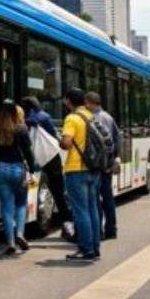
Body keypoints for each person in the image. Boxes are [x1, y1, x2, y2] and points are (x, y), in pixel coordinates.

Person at [0, 100, 39, 256]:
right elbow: (28, 152)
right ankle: (20, 234)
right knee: (21, 204)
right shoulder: (21, 129)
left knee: (7, 207)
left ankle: (10, 242)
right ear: (16, 113)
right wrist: (32, 169)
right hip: (17, 168)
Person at [20, 96, 72, 240]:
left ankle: (69, 222)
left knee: (58, 192)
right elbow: (54, 136)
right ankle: (68, 222)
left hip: (44, 159)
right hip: (52, 158)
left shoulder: (35, 119)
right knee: (58, 191)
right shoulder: (43, 117)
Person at [60, 88, 101, 261]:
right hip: (92, 169)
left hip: (76, 170)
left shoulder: (72, 118)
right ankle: (95, 247)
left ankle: (85, 249)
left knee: (80, 211)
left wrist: (60, 141)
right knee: (93, 209)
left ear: (69, 101)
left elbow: (67, 144)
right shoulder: (91, 117)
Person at [86, 91, 122, 241]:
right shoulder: (108, 117)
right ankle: (111, 229)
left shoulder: (90, 118)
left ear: (90, 103)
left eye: (85, 102)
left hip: (95, 164)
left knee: (95, 199)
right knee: (108, 197)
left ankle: (98, 231)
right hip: (107, 163)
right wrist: (116, 157)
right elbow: (117, 138)